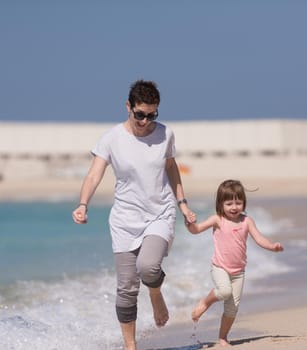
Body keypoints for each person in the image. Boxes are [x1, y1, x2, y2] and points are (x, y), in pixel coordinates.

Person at [72, 79, 197, 350]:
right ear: (128, 107)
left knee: (148, 267)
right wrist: (83, 204)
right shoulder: (111, 138)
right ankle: (131, 346)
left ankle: (155, 292)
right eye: (139, 114)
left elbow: (172, 168)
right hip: (125, 220)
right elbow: (95, 174)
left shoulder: (165, 134)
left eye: (151, 115)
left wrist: (182, 203)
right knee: (126, 287)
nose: (145, 121)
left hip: (159, 213)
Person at [185, 179, 284, 347]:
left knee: (232, 309)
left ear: (244, 203)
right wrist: (190, 223)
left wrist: (272, 246)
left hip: (239, 272)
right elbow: (196, 230)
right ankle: (205, 302)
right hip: (220, 267)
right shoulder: (217, 220)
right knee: (224, 291)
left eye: (238, 203)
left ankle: (222, 337)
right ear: (220, 204)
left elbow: (259, 238)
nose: (234, 207)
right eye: (229, 203)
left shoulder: (247, 221)